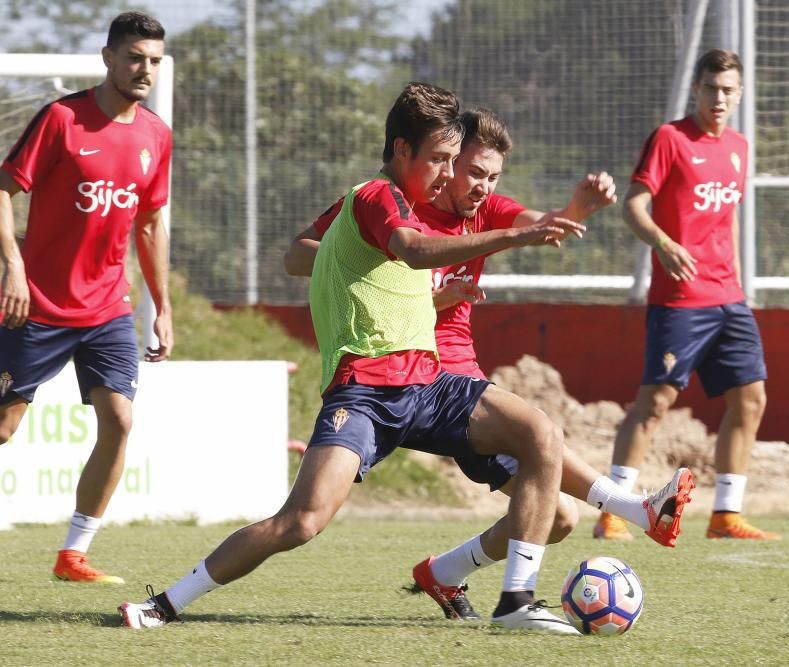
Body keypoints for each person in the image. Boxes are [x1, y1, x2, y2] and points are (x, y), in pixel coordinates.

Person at [118, 82, 690, 634]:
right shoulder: (373, 196)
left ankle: (516, 599)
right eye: (444, 160)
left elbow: (493, 240)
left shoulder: (436, 204)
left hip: (430, 381)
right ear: (402, 150)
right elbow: (410, 253)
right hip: (365, 389)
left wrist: (563, 214)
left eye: (456, 162)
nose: (450, 175)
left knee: (542, 436)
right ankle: (167, 602)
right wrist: (357, 270)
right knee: (302, 522)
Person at [283, 107, 696, 621]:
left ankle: (444, 574)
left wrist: (578, 208)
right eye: (473, 171)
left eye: (492, 176)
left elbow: (542, 228)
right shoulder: (389, 207)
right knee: (538, 438)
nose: (482, 186)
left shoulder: (486, 209)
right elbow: (299, 254)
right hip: (416, 373)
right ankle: (624, 517)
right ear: (447, 161)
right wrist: (373, 270)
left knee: (558, 517)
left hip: (459, 378)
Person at [0, 11, 173, 583]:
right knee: (4, 426)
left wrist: (162, 306)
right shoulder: (61, 118)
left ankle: (73, 555)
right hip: (38, 303)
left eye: (152, 60)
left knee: (120, 420)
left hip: (107, 308)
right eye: (133, 58)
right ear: (108, 58)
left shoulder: (155, 135)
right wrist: (14, 267)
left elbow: (149, 225)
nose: (143, 69)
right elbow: (4, 190)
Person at [593, 49, 778, 542]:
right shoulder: (670, 139)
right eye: (711, 88)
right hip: (680, 298)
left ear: (739, 95)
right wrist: (664, 243)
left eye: (728, 90)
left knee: (751, 399)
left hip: (729, 297)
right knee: (655, 403)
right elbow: (634, 205)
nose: (719, 98)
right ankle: (613, 510)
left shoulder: (739, 146)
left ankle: (725, 515)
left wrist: (739, 283)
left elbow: (729, 218)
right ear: (696, 89)